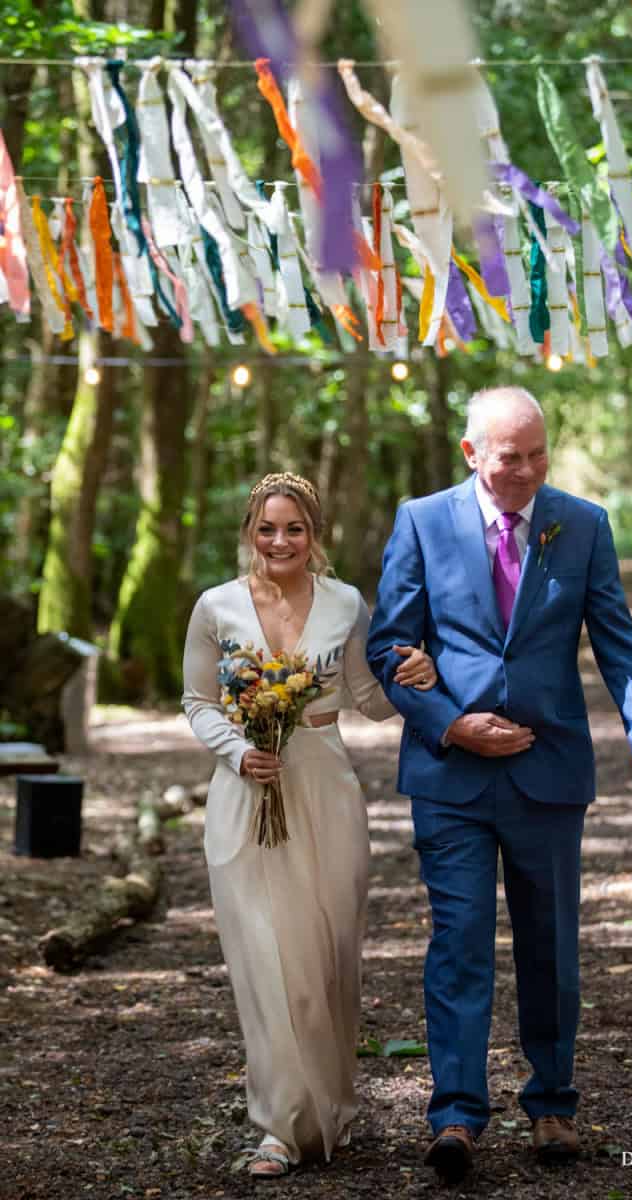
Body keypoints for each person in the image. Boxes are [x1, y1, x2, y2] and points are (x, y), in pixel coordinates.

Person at [366, 387, 632, 1183]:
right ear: (472, 453)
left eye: (540, 454)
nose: (528, 470)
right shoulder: (422, 521)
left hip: (549, 770)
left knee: (550, 946)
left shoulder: (582, 523)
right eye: (512, 457)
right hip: (451, 775)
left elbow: (620, 645)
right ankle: (457, 1116)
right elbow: (389, 647)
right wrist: (449, 721)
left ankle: (552, 1105)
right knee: (460, 944)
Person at [181, 471, 437, 1179]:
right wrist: (238, 751)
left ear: (313, 534)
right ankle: (277, 1130)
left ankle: (332, 1112)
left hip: (326, 788)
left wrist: (416, 675)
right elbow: (198, 699)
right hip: (246, 794)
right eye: (267, 528)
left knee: (327, 959)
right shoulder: (216, 606)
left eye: (294, 528)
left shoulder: (346, 603)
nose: (280, 540)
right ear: (248, 532)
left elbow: (365, 696)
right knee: (265, 960)